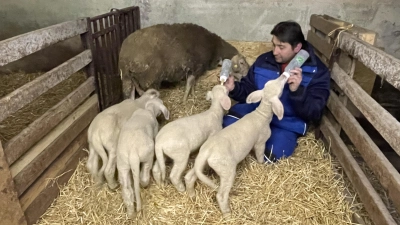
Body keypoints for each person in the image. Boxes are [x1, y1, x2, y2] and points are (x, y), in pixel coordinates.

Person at [223, 20, 331, 163]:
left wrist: (297, 91)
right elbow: (248, 91)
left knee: (273, 154)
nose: (275, 51)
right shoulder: (264, 60)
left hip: (285, 123)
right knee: (225, 127)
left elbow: (315, 112)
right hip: (256, 114)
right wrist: (234, 88)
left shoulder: (317, 71)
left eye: (281, 47)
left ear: (297, 47)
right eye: (274, 45)